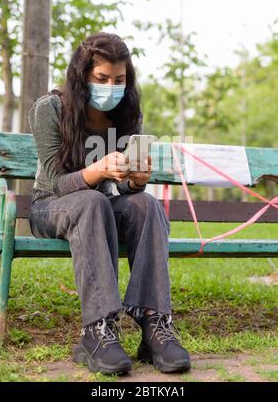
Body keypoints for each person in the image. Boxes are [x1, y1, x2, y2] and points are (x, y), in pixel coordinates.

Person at [28, 31, 190, 375]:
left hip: (98, 207)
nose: (111, 87)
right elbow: (56, 183)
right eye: (102, 78)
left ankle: (154, 324)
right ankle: (98, 329)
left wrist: (134, 181)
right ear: (83, 75)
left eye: (119, 80)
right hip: (50, 207)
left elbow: (124, 194)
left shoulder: (126, 114)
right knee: (90, 201)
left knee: (145, 204)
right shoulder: (50, 109)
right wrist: (97, 169)